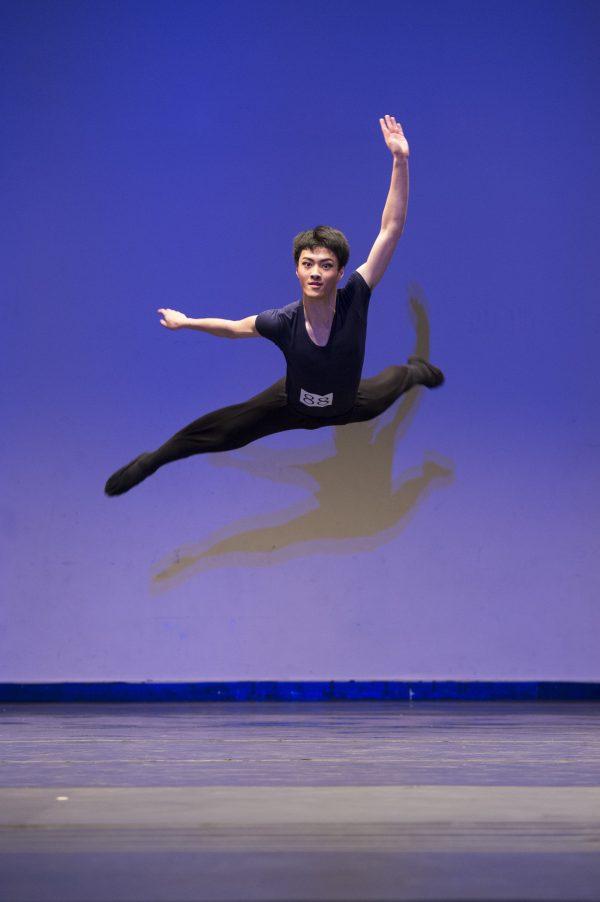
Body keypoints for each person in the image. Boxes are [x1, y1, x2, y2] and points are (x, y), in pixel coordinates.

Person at [104, 115, 444, 498]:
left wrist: (400, 160)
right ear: (297, 270)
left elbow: (390, 229)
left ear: (340, 271)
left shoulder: (357, 295)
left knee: (395, 383)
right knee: (221, 430)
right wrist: (187, 323)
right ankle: (153, 459)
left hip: (350, 405)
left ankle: (418, 370)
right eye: (308, 264)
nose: (316, 273)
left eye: (326, 265)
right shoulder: (282, 322)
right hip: (289, 406)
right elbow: (233, 328)